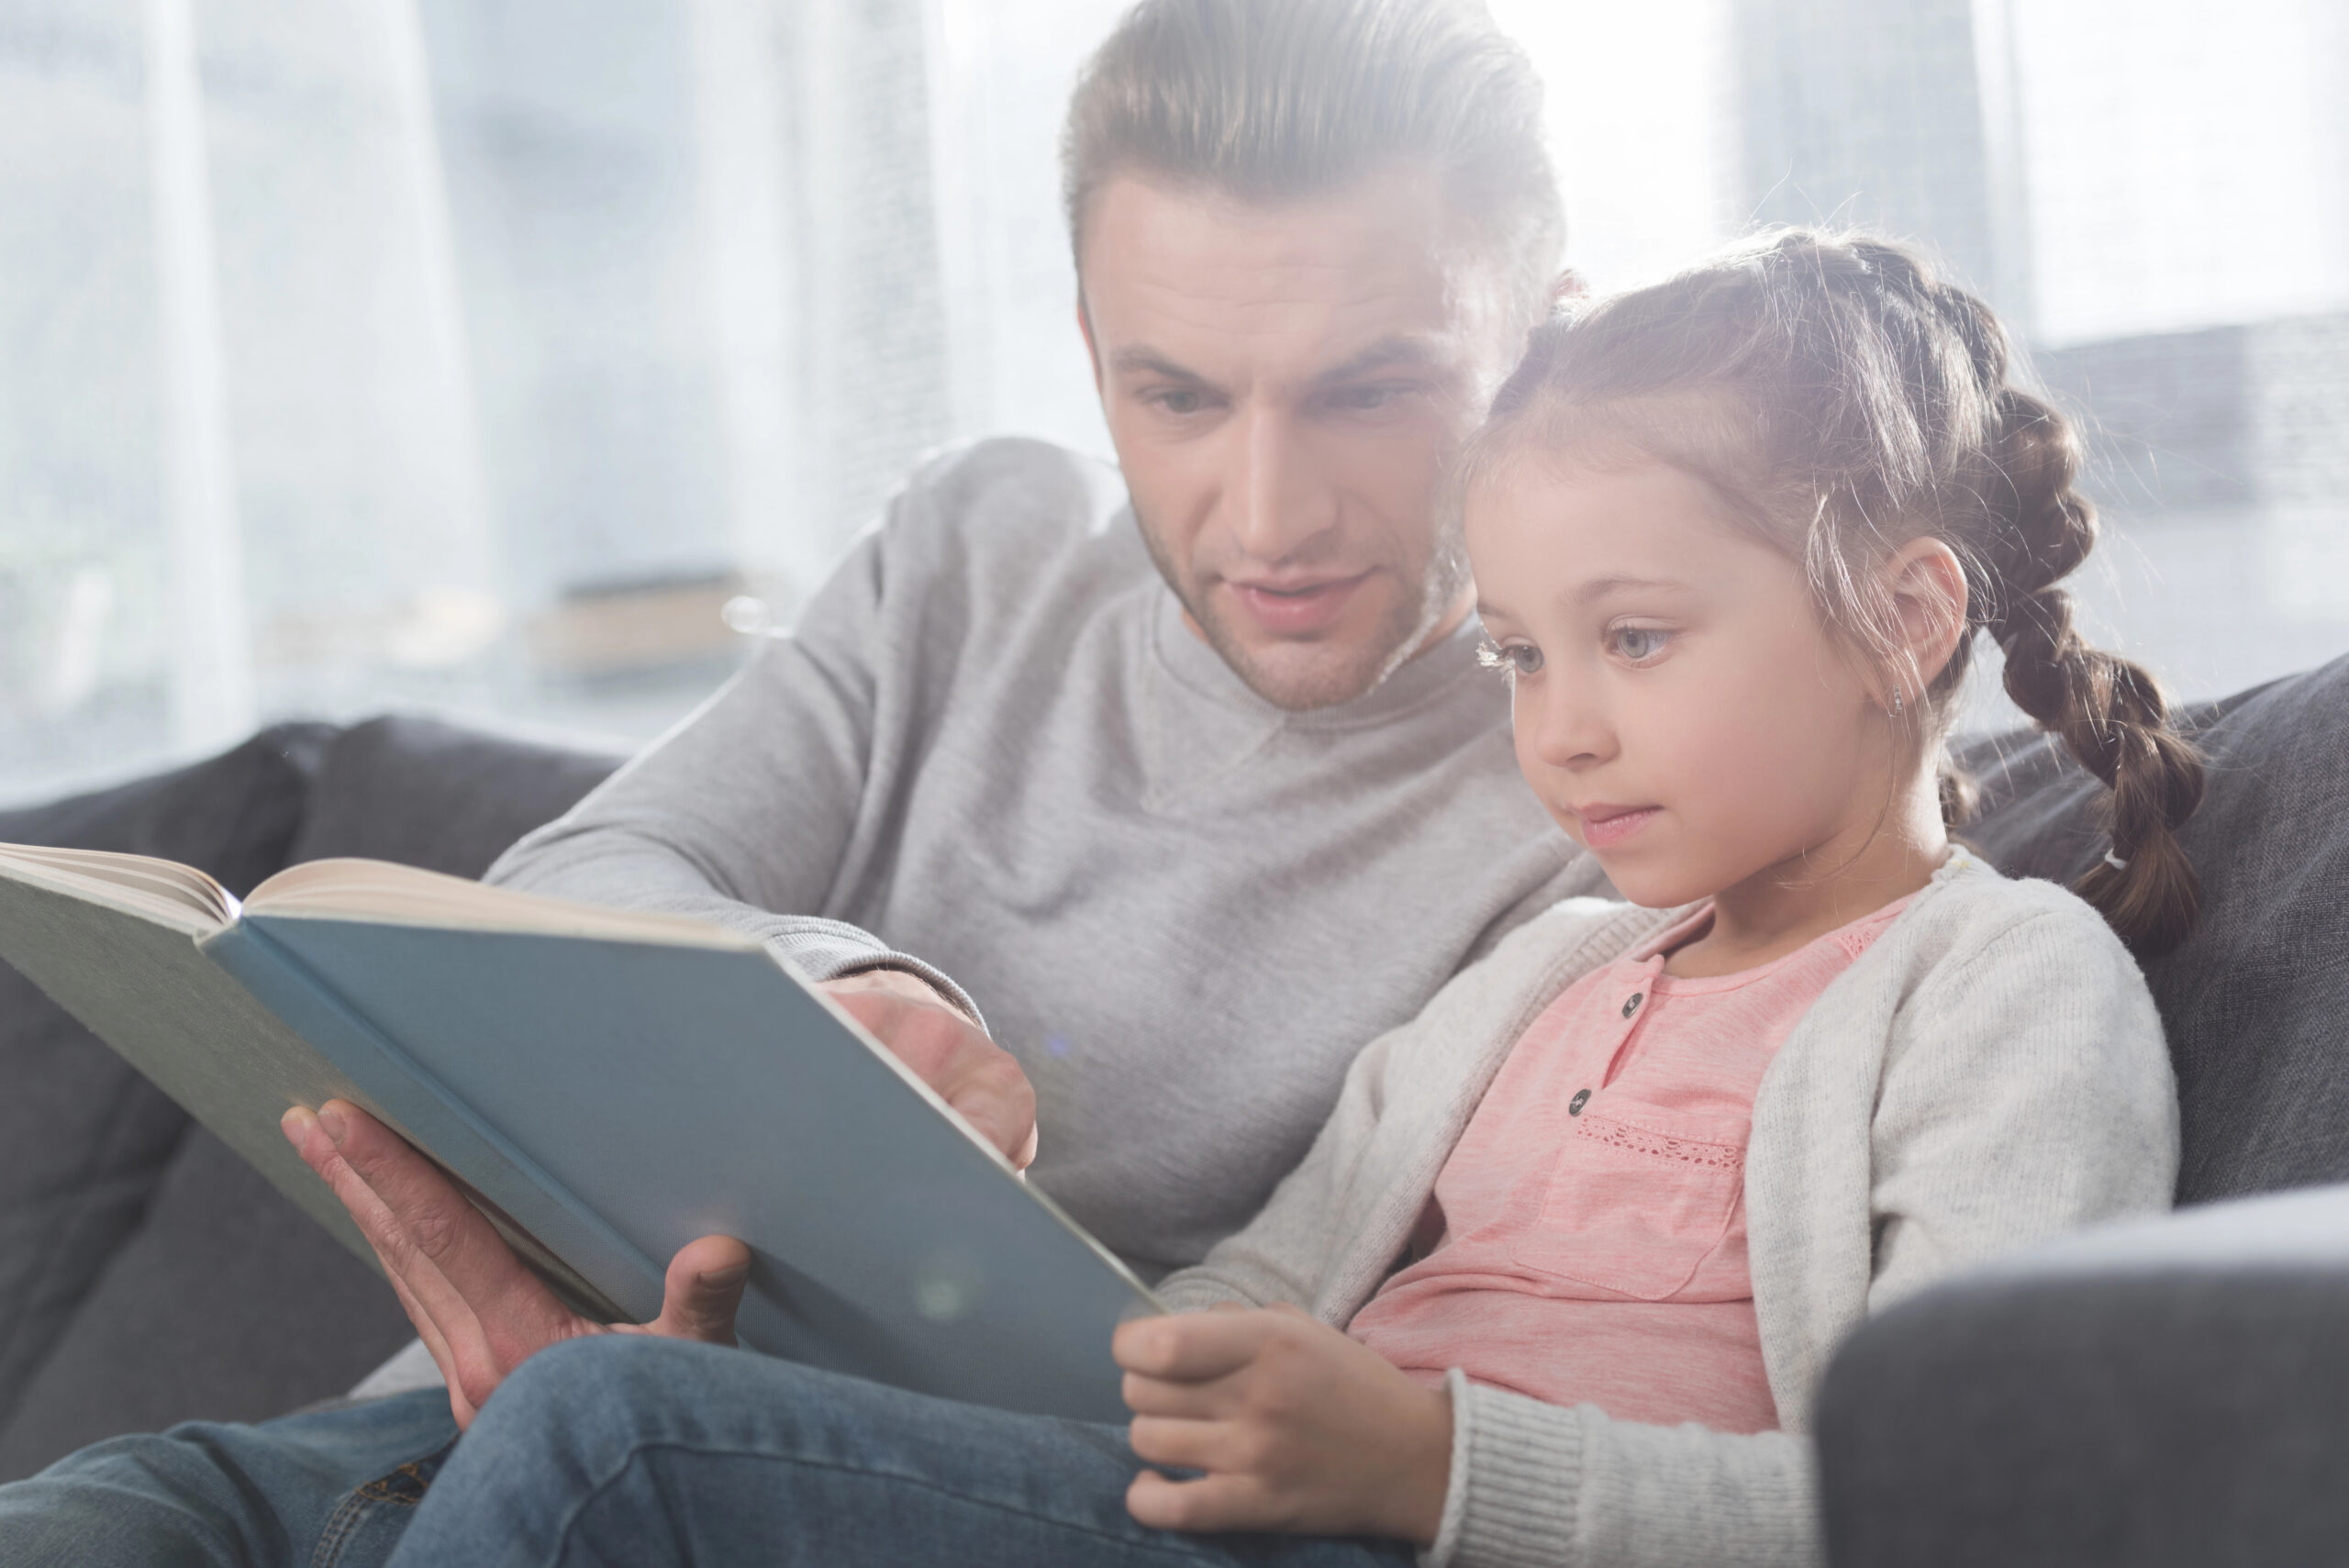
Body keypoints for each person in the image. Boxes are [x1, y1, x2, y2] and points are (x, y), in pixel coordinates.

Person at [0, 3, 1608, 1564]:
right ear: (1089, 346)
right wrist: (845, 995)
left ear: (1547, 346)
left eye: (1367, 390)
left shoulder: (1607, 794)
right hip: (448, 1413)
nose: (1267, 515)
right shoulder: (982, 546)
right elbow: (573, 876)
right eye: (1177, 394)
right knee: (85, 1516)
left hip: (874, 1486)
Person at [354, 230, 2197, 1567]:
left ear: (1906, 618)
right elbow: (1244, 1293)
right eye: (1519, 655)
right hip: (1247, 1522)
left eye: (1632, 638)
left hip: (1405, 1534)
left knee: (608, 1441)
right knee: (558, 1434)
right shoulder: (1548, 970)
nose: (1559, 730)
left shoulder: (2003, 985)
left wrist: (1437, 1465)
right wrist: (872, 1386)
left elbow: (1984, 1503)